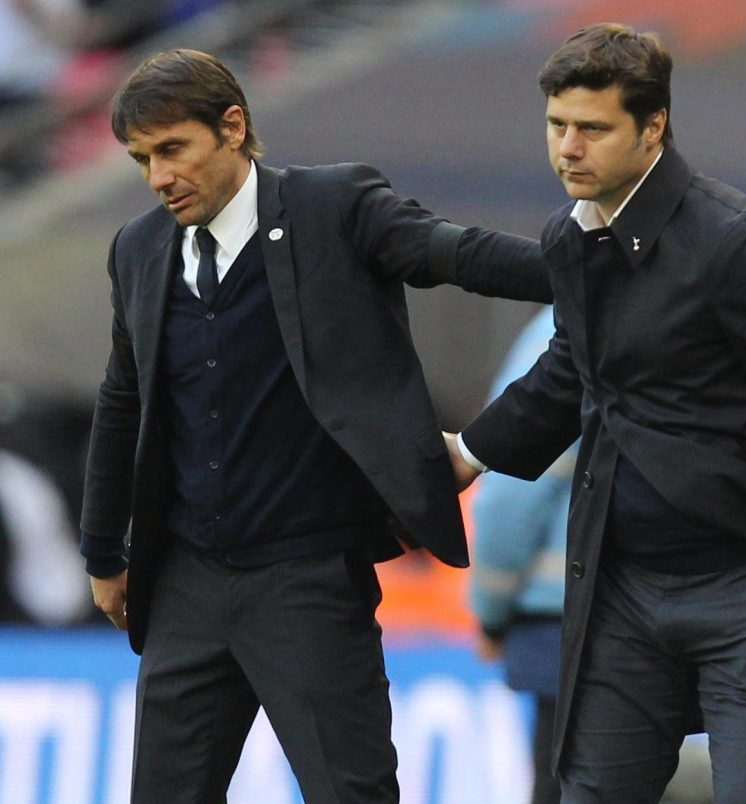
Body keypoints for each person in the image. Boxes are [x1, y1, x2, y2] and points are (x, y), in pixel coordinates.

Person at [446, 23, 746, 803]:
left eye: (593, 129)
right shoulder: (572, 236)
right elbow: (574, 370)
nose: (569, 148)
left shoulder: (738, 243)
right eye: (557, 126)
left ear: (653, 125)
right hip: (621, 590)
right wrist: (469, 452)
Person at [79, 48, 550, 803]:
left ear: (233, 126)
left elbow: (449, 253)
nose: (158, 177)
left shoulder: (333, 206)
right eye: (141, 160)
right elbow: (122, 399)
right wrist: (105, 551)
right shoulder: (138, 249)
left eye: (173, 150)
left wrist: (581, 274)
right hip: (187, 585)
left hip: (308, 578)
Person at [469, 305, 573, 804]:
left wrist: (490, 612)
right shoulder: (706, 305)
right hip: (688, 611)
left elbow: (508, 492)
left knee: (562, 783)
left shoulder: (568, 324)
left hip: (567, 625)